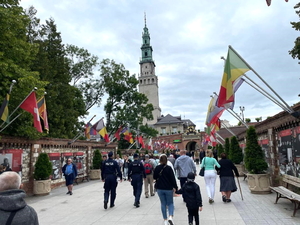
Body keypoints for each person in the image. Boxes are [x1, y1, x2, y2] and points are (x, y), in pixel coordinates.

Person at [153, 154, 178, 225]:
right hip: (168, 188)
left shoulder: (157, 168)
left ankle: (165, 220)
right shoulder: (169, 168)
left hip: (160, 188)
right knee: (170, 203)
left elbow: (154, 177)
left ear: (160, 160)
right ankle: (170, 216)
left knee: (163, 204)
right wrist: (175, 187)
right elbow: (172, 179)